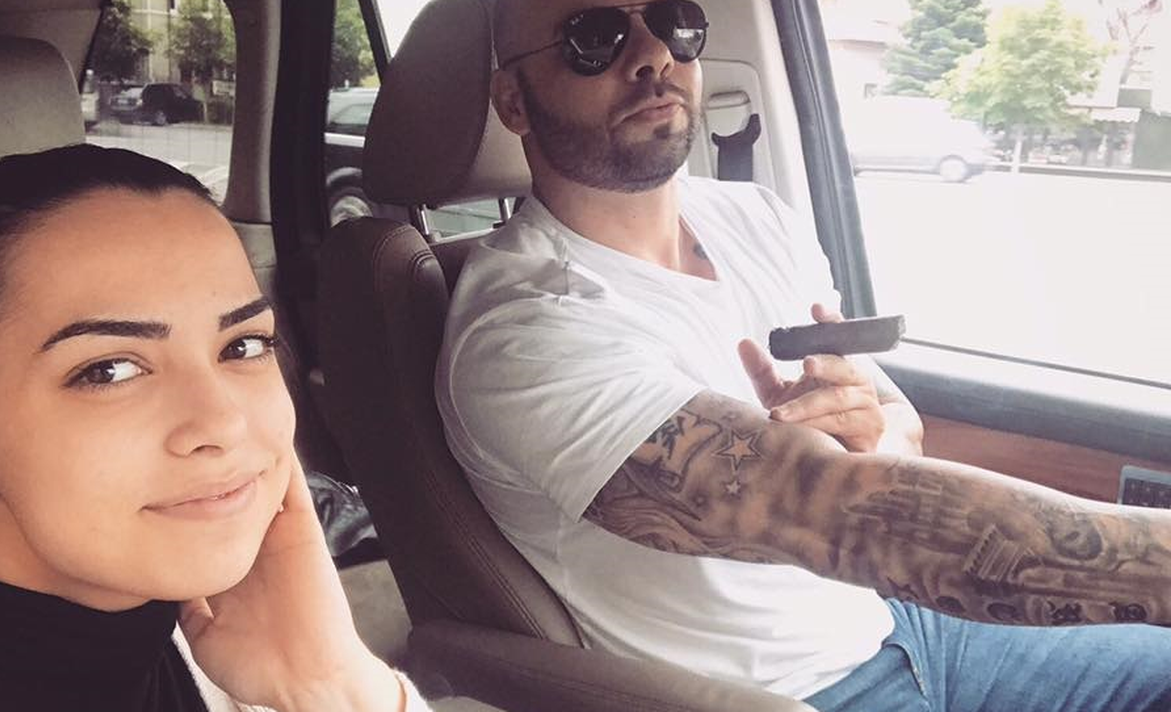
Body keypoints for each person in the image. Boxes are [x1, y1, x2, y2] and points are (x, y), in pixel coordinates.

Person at [434, 0, 1171, 709]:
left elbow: (897, 423)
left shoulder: (755, 217)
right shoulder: (524, 330)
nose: (654, 53)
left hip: (906, 624)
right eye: (592, 37)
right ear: (514, 101)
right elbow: (851, 515)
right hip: (788, 693)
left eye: (672, 20)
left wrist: (875, 439)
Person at [0, 145, 428, 712]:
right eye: (109, 370)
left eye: (243, 346)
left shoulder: (250, 659)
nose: (223, 422)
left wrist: (332, 684)